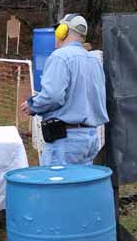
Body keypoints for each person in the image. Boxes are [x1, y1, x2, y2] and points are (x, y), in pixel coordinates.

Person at [21, 13, 109, 166]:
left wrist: (33, 105)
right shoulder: (94, 61)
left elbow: (53, 96)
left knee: (58, 189)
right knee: (81, 188)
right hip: (90, 138)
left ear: (63, 31)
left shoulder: (60, 57)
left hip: (66, 140)